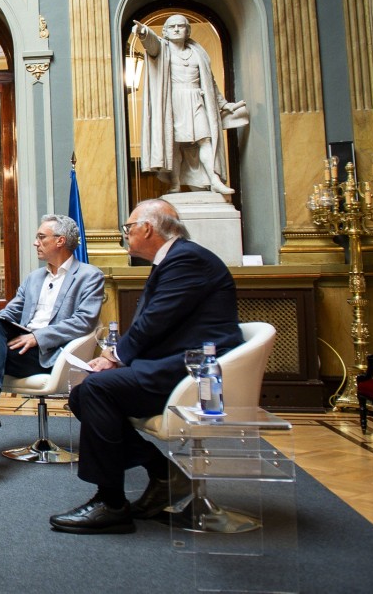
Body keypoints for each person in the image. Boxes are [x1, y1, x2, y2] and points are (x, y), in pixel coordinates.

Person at [49, 199, 242, 534]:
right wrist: (117, 358)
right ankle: (163, 473)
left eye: (128, 228)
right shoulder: (174, 259)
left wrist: (114, 358)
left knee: (95, 390)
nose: (125, 234)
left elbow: (155, 321)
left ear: (148, 229)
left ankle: (111, 503)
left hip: (198, 371)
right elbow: (159, 325)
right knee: (83, 394)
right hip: (175, 364)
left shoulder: (187, 259)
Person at [0, 214, 104, 475]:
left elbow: (84, 322)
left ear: (60, 241)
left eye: (41, 237)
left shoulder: (89, 275)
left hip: (53, 355)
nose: (35, 243)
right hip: (22, 350)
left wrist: (38, 337)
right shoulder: (33, 278)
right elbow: (11, 311)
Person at [134, 14, 246, 195]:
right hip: (174, 102)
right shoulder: (163, 50)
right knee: (174, 144)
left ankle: (214, 180)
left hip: (196, 99)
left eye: (181, 26)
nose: (176, 29)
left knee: (205, 139)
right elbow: (151, 44)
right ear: (165, 32)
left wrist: (224, 104)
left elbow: (210, 82)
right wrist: (144, 33)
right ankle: (175, 183)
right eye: (172, 27)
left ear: (188, 31)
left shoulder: (198, 53)